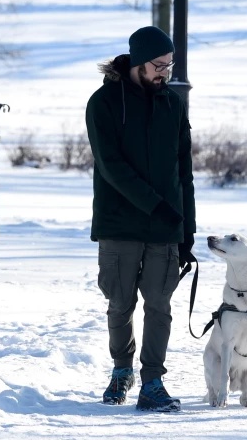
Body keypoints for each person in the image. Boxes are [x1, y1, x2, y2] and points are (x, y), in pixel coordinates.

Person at [85, 26, 196, 412]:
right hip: (119, 223)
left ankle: (152, 381)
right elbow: (111, 166)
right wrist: (156, 205)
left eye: (169, 65)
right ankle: (121, 370)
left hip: (165, 225)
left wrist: (187, 229)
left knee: (159, 304)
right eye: (158, 65)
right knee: (120, 303)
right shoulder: (103, 103)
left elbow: (185, 171)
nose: (164, 73)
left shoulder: (172, 104)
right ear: (137, 62)